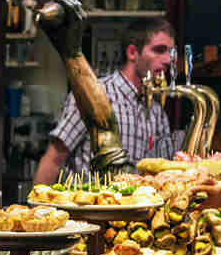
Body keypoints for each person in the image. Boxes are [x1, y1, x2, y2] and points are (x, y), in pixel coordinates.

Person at [33, 17, 176, 184]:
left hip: (135, 207)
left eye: (171, 52)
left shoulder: (156, 111)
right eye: (159, 50)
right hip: (89, 206)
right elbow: (53, 159)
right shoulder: (94, 93)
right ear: (132, 53)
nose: (168, 60)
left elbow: (165, 173)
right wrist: (38, 209)